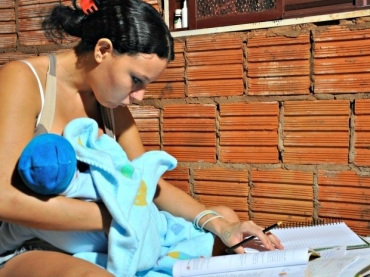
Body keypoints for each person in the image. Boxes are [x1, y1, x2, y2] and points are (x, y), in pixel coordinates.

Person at [0, 0, 283, 276]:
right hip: (31, 246)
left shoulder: (110, 105)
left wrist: (219, 223)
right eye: (136, 80)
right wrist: (117, 216)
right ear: (102, 50)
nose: (139, 97)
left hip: (109, 234)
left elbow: (148, 184)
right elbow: (4, 199)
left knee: (226, 220)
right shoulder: (24, 80)